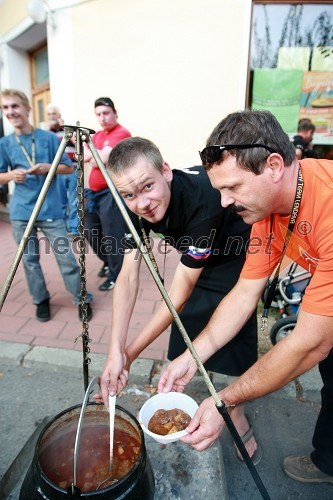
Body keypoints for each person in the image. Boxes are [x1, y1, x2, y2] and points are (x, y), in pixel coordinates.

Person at [158, 109, 333, 485]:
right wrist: (193, 357)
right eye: (219, 189)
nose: (224, 202)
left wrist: (226, 399)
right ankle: (329, 462)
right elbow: (245, 292)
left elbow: (310, 342)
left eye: (233, 187)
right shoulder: (265, 211)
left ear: (273, 166)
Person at [99, 136, 261, 463]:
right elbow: (128, 277)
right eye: (129, 194)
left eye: (148, 187)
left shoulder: (203, 199)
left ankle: (237, 411)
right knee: (185, 337)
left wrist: (130, 355)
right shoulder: (127, 205)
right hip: (195, 256)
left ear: (166, 172)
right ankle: (185, 403)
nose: (141, 203)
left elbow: (180, 293)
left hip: (235, 255)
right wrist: (115, 350)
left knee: (234, 333)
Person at [0, 89, 93, 322]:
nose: (11, 112)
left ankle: (81, 299)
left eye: (15, 106)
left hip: (50, 209)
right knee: (30, 260)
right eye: (6, 108)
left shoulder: (50, 138)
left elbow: (69, 167)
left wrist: (46, 167)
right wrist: (11, 175)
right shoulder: (4, 143)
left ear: (27, 108)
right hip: (21, 211)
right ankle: (40, 299)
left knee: (65, 257)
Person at [84, 97, 131, 290]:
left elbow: (99, 158)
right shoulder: (98, 135)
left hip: (111, 192)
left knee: (112, 235)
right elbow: (86, 155)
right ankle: (108, 261)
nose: (102, 118)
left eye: (106, 113)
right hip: (93, 193)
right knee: (90, 231)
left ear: (115, 113)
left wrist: (91, 154)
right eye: (98, 114)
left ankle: (116, 275)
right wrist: (92, 154)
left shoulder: (121, 133)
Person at [45, 103, 79, 238]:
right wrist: (48, 129)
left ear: (59, 115)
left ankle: (74, 230)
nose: (52, 116)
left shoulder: (68, 130)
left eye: (54, 113)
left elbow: (77, 143)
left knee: (74, 201)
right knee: (60, 201)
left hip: (73, 169)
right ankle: (63, 230)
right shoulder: (47, 134)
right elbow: (44, 148)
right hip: (57, 171)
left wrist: (65, 129)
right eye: (49, 114)